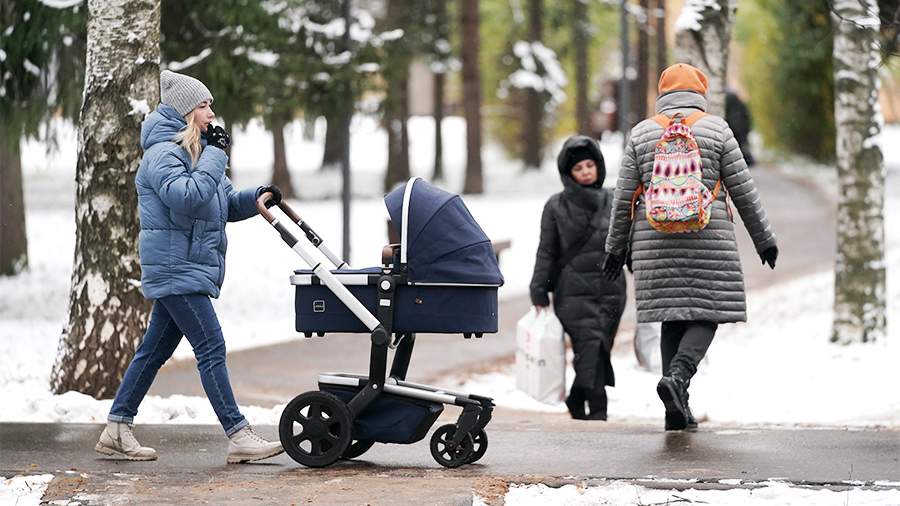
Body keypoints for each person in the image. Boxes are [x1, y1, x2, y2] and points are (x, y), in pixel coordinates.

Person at [94, 70, 285, 463]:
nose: (212, 113)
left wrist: (259, 196)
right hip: (174, 266)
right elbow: (189, 198)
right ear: (184, 111)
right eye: (203, 106)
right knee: (211, 345)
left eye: (210, 105)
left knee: (152, 351)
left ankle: (116, 427)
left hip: (184, 266)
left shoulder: (196, 149)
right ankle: (238, 434)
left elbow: (224, 202)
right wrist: (217, 153)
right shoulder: (163, 153)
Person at [602, 63, 778, 431]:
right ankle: (678, 378)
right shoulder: (717, 129)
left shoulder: (642, 133)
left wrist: (615, 249)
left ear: (662, 94)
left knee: (673, 316)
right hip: (707, 235)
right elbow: (743, 189)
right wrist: (764, 240)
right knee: (707, 312)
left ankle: (675, 408)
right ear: (700, 92)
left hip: (653, 238)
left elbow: (623, 198)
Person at [530, 136, 627, 420]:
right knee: (591, 349)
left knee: (598, 350)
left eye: (589, 165)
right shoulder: (555, 206)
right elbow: (546, 251)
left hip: (611, 292)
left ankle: (576, 398)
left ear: (598, 166)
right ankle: (598, 412)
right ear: (568, 174)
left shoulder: (615, 199)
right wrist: (538, 288)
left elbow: (628, 243)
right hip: (572, 293)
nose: (585, 171)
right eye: (578, 168)